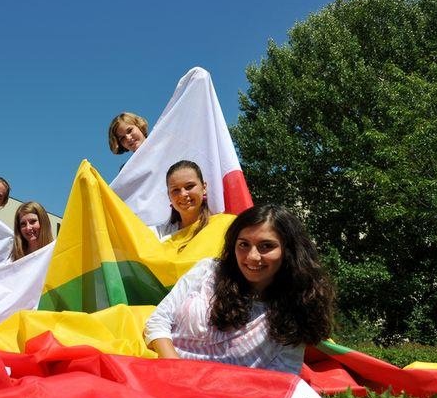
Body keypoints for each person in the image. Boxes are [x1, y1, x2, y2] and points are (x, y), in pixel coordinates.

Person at [144, 204, 335, 374]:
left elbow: (284, 374)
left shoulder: (296, 309)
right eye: (244, 244)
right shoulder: (208, 270)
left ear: (289, 251)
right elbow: (158, 320)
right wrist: (175, 369)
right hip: (163, 368)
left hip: (227, 393)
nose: (252, 256)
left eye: (266, 246)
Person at [154, 160, 214, 243]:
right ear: (169, 196)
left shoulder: (225, 226)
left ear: (204, 188)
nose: (183, 194)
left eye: (189, 186)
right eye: (176, 190)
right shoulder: (159, 234)